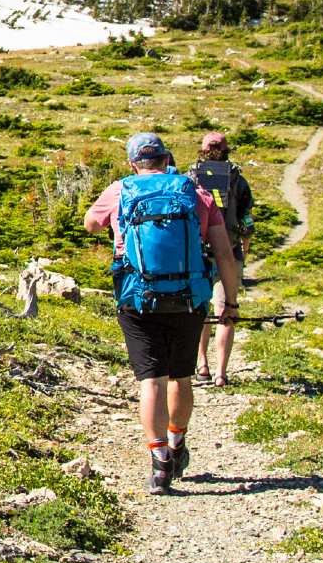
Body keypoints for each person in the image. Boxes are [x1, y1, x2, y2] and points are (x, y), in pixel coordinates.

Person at [84, 131, 244, 495]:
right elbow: (224, 254)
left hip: (137, 297)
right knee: (180, 377)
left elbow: (90, 224)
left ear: (132, 164)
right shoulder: (195, 193)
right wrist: (230, 303)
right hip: (188, 298)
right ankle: (177, 444)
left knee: (150, 379)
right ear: (167, 159)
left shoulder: (119, 190)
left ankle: (158, 465)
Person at [190, 131, 254, 387]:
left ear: (202, 150)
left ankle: (202, 364)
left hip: (199, 253)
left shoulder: (190, 178)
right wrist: (244, 251)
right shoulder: (238, 180)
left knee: (200, 310)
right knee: (228, 309)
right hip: (231, 250)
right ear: (227, 150)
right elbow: (247, 221)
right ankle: (221, 372)